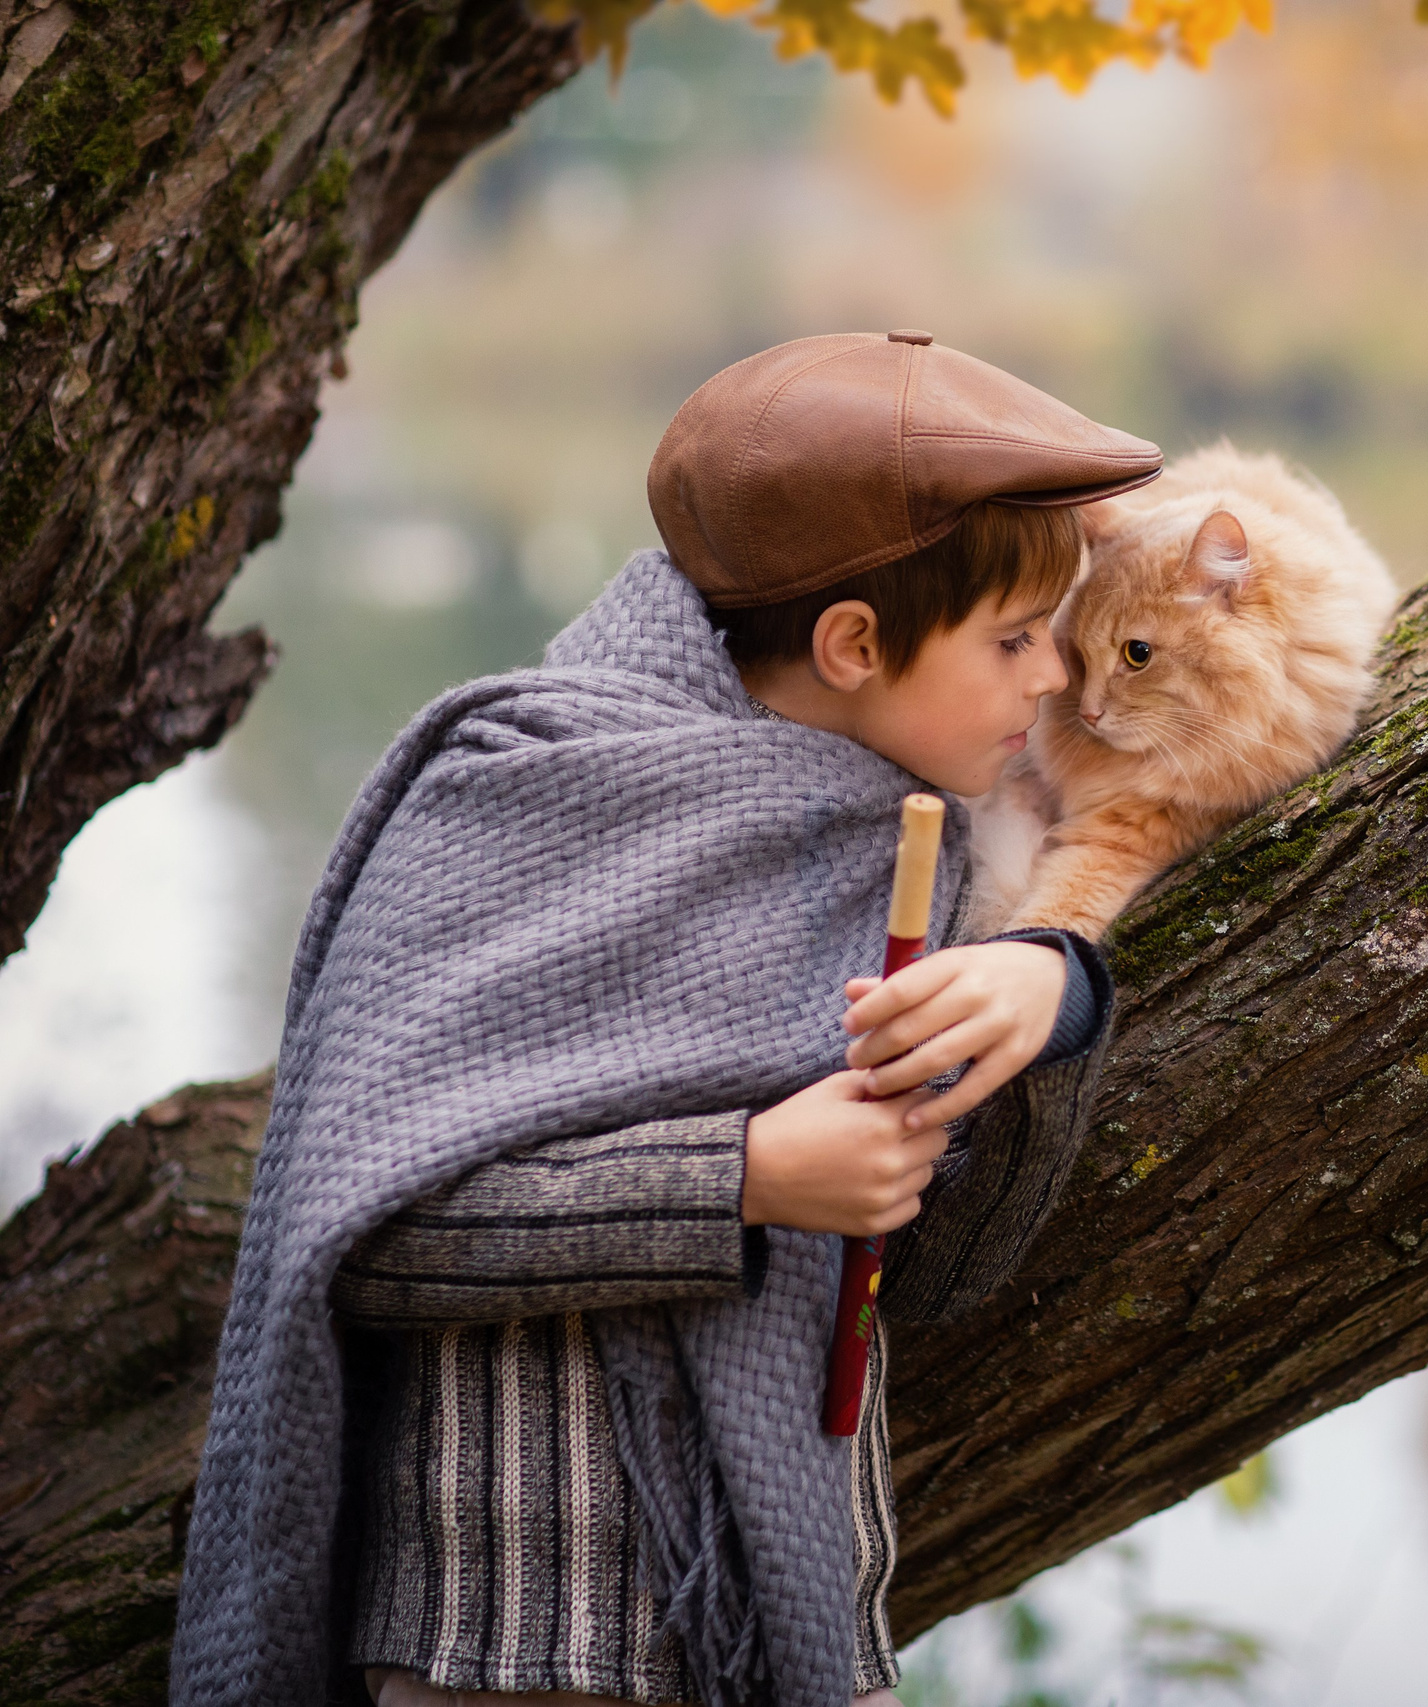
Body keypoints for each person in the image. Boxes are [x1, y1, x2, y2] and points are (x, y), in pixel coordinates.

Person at [170, 331, 1165, 1707]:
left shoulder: (915, 848)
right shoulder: (509, 794)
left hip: (787, 1637)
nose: (1051, 680)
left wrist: (1052, 996)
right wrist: (742, 1180)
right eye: (1011, 642)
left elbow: (931, 1280)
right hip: (502, 1655)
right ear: (854, 643)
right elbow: (368, 1244)